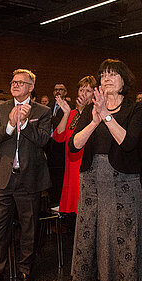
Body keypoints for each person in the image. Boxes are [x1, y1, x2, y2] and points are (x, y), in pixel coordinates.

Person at [69, 59, 142, 281]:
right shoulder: (90, 108)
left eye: (113, 74)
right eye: (103, 75)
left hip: (123, 182)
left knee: (128, 235)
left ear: (124, 81)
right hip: (93, 181)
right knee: (101, 236)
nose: (107, 78)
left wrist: (107, 116)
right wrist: (95, 120)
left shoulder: (135, 108)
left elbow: (128, 143)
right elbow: (74, 145)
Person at [0, 68, 52, 281]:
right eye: (13, 81)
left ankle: (25, 272)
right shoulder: (0, 108)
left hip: (29, 179)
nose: (15, 85)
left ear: (31, 87)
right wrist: (10, 124)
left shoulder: (43, 111)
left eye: (21, 82)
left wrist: (25, 124)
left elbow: (44, 140)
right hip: (2, 178)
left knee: (29, 228)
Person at [52, 76, 96, 213]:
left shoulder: (96, 114)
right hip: (71, 167)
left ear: (95, 94)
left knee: (85, 211)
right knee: (73, 214)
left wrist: (83, 111)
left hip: (86, 166)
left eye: (88, 91)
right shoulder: (72, 113)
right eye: (81, 90)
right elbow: (58, 136)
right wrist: (65, 114)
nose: (83, 94)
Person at [46, 83, 75, 207]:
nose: (58, 91)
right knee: (50, 176)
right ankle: (52, 202)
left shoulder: (71, 107)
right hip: (48, 145)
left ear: (66, 92)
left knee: (61, 177)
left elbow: (63, 126)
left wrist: (53, 118)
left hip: (62, 147)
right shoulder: (47, 107)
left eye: (61, 90)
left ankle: (60, 202)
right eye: (56, 89)